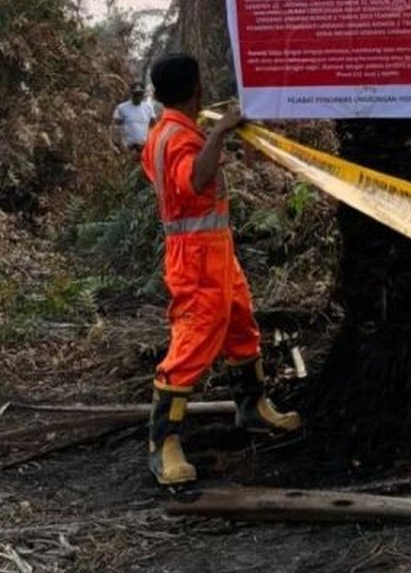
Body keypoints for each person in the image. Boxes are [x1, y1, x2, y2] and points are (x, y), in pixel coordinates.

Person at [141, 54, 301, 486]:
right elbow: (193, 180)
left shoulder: (169, 130)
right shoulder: (177, 137)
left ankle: (252, 408)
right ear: (198, 88)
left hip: (214, 251)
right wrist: (220, 132)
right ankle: (164, 444)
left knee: (240, 325)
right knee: (193, 342)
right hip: (194, 258)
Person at [113, 82, 157, 152]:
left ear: (143, 95)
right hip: (128, 147)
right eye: (136, 94)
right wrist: (119, 145)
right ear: (131, 94)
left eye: (140, 94)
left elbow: (154, 126)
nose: (138, 97)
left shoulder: (148, 108)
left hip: (144, 147)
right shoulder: (122, 108)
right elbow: (115, 128)